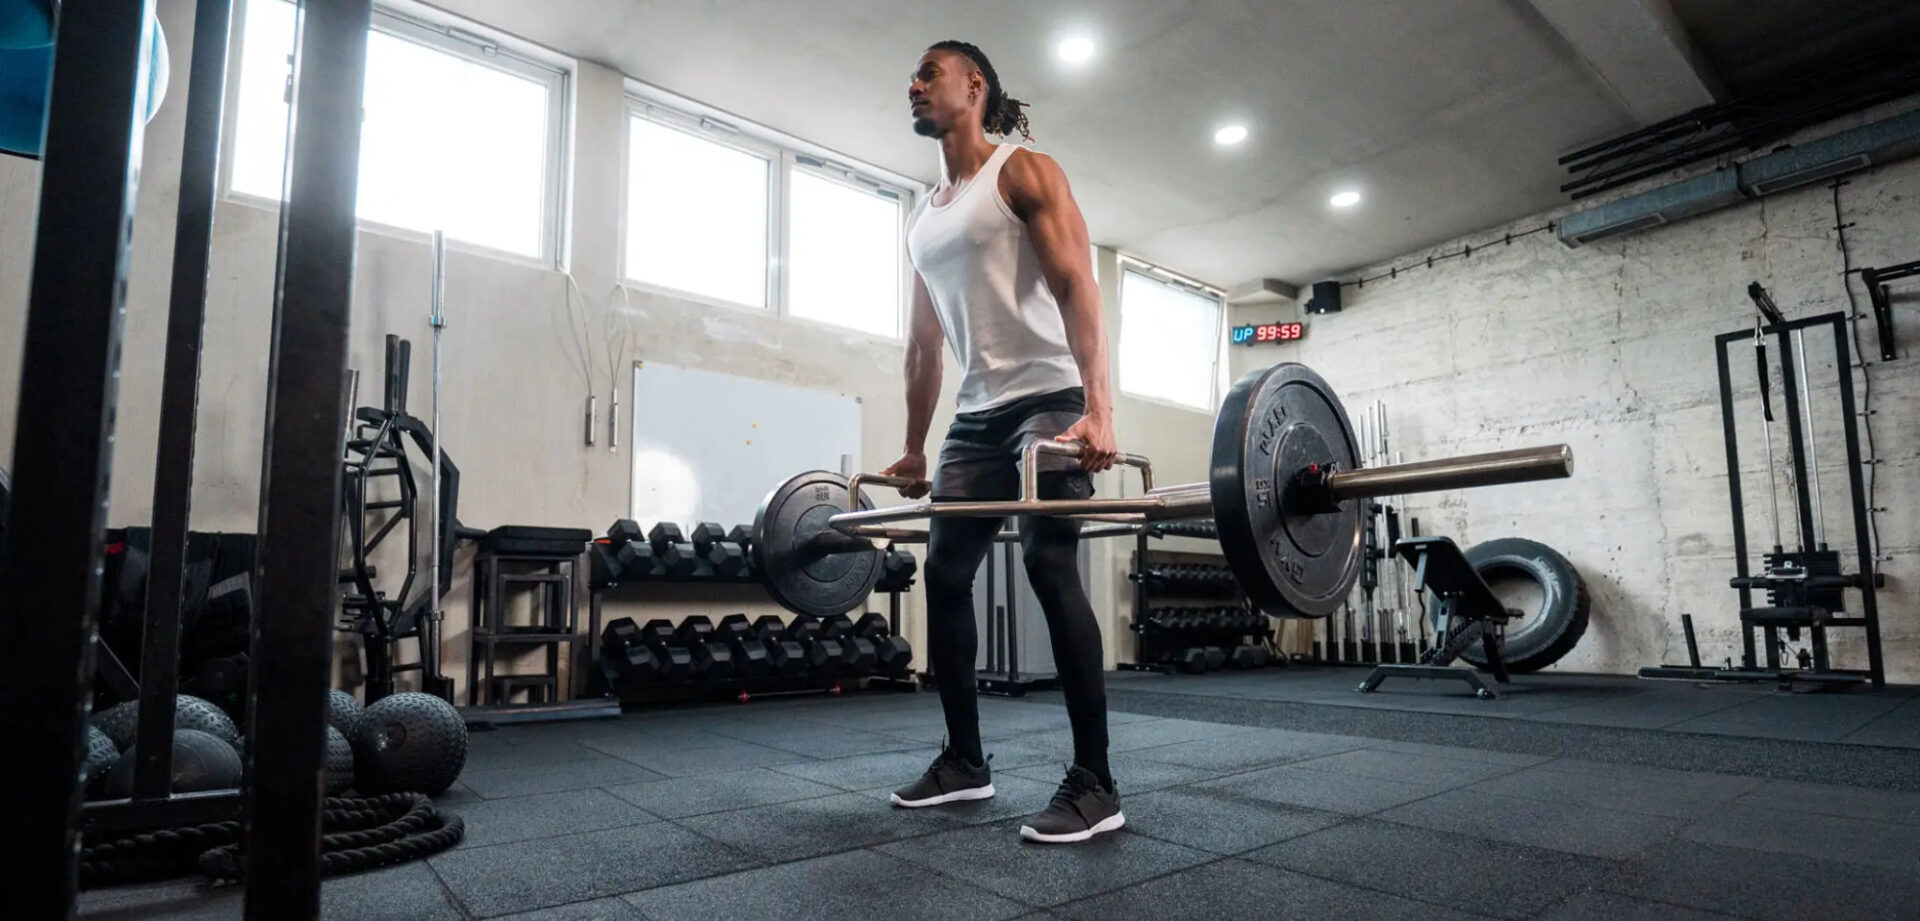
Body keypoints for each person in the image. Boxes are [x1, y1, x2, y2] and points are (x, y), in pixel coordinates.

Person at [883, 40, 1123, 844]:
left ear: (974, 86)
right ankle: (965, 762)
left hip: (1048, 397)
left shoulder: (1022, 171)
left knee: (1046, 559)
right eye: (913, 77)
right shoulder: (922, 218)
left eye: (930, 72)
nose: (914, 84)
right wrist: (916, 446)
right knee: (944, 572)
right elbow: (924, 347)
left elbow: (1076, 284)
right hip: (978, 415)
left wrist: (1099, 410)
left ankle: (1096, 780)